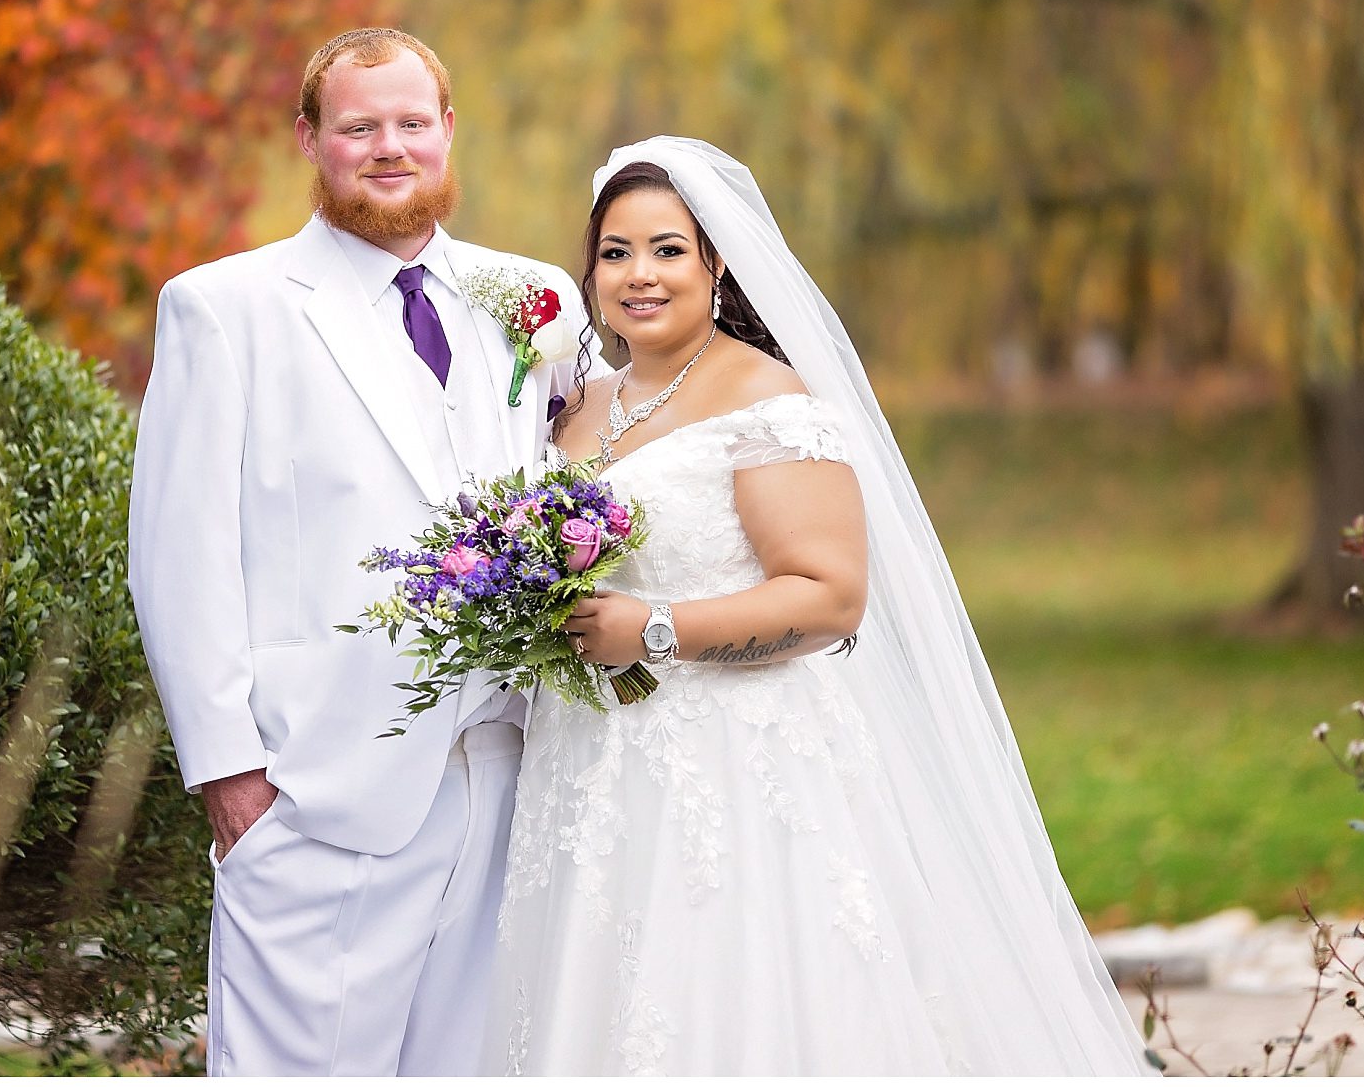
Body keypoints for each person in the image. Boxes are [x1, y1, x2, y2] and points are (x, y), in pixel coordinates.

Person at [485, 137, 1157, 1075]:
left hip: (729, 765)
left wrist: (654, 630)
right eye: (616, 252)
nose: (640, 274)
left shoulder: (767, 398)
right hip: (586, 768)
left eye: (669, 250)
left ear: (717, 264)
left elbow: (830, 597)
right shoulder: (577, 407)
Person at [128, 28, 592, 1076]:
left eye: (411, 122)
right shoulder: (225, 309)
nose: (390, 147)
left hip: (512, 771)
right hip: (315, 786)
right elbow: (178, 558)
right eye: (358, 127)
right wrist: (231, 777)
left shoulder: (536, 302)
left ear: (448, 130)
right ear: (309, 138)